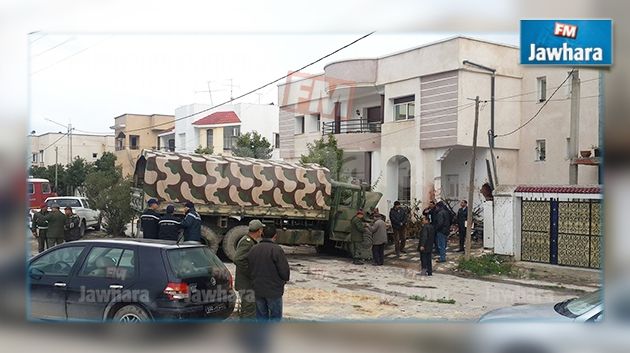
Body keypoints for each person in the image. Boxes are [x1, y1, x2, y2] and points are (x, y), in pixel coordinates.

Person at [248, 224, 290, 321]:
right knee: (275, 317)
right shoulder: (276, 250)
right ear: (275, 236)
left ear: (262, 234)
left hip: (258, 289)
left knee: (261, 317)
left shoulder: (254, 249)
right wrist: (284, 280)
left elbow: (249, 267)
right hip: (274, 291)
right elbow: (284, 271)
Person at [234, 219, 264, 320]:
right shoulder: (247, 242)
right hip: (246, 284)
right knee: (248, 311)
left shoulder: (251, 241)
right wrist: (251, 273)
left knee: (248, 309)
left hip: (247, 283)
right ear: (259, 231)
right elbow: (238, 259)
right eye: (261, 230)